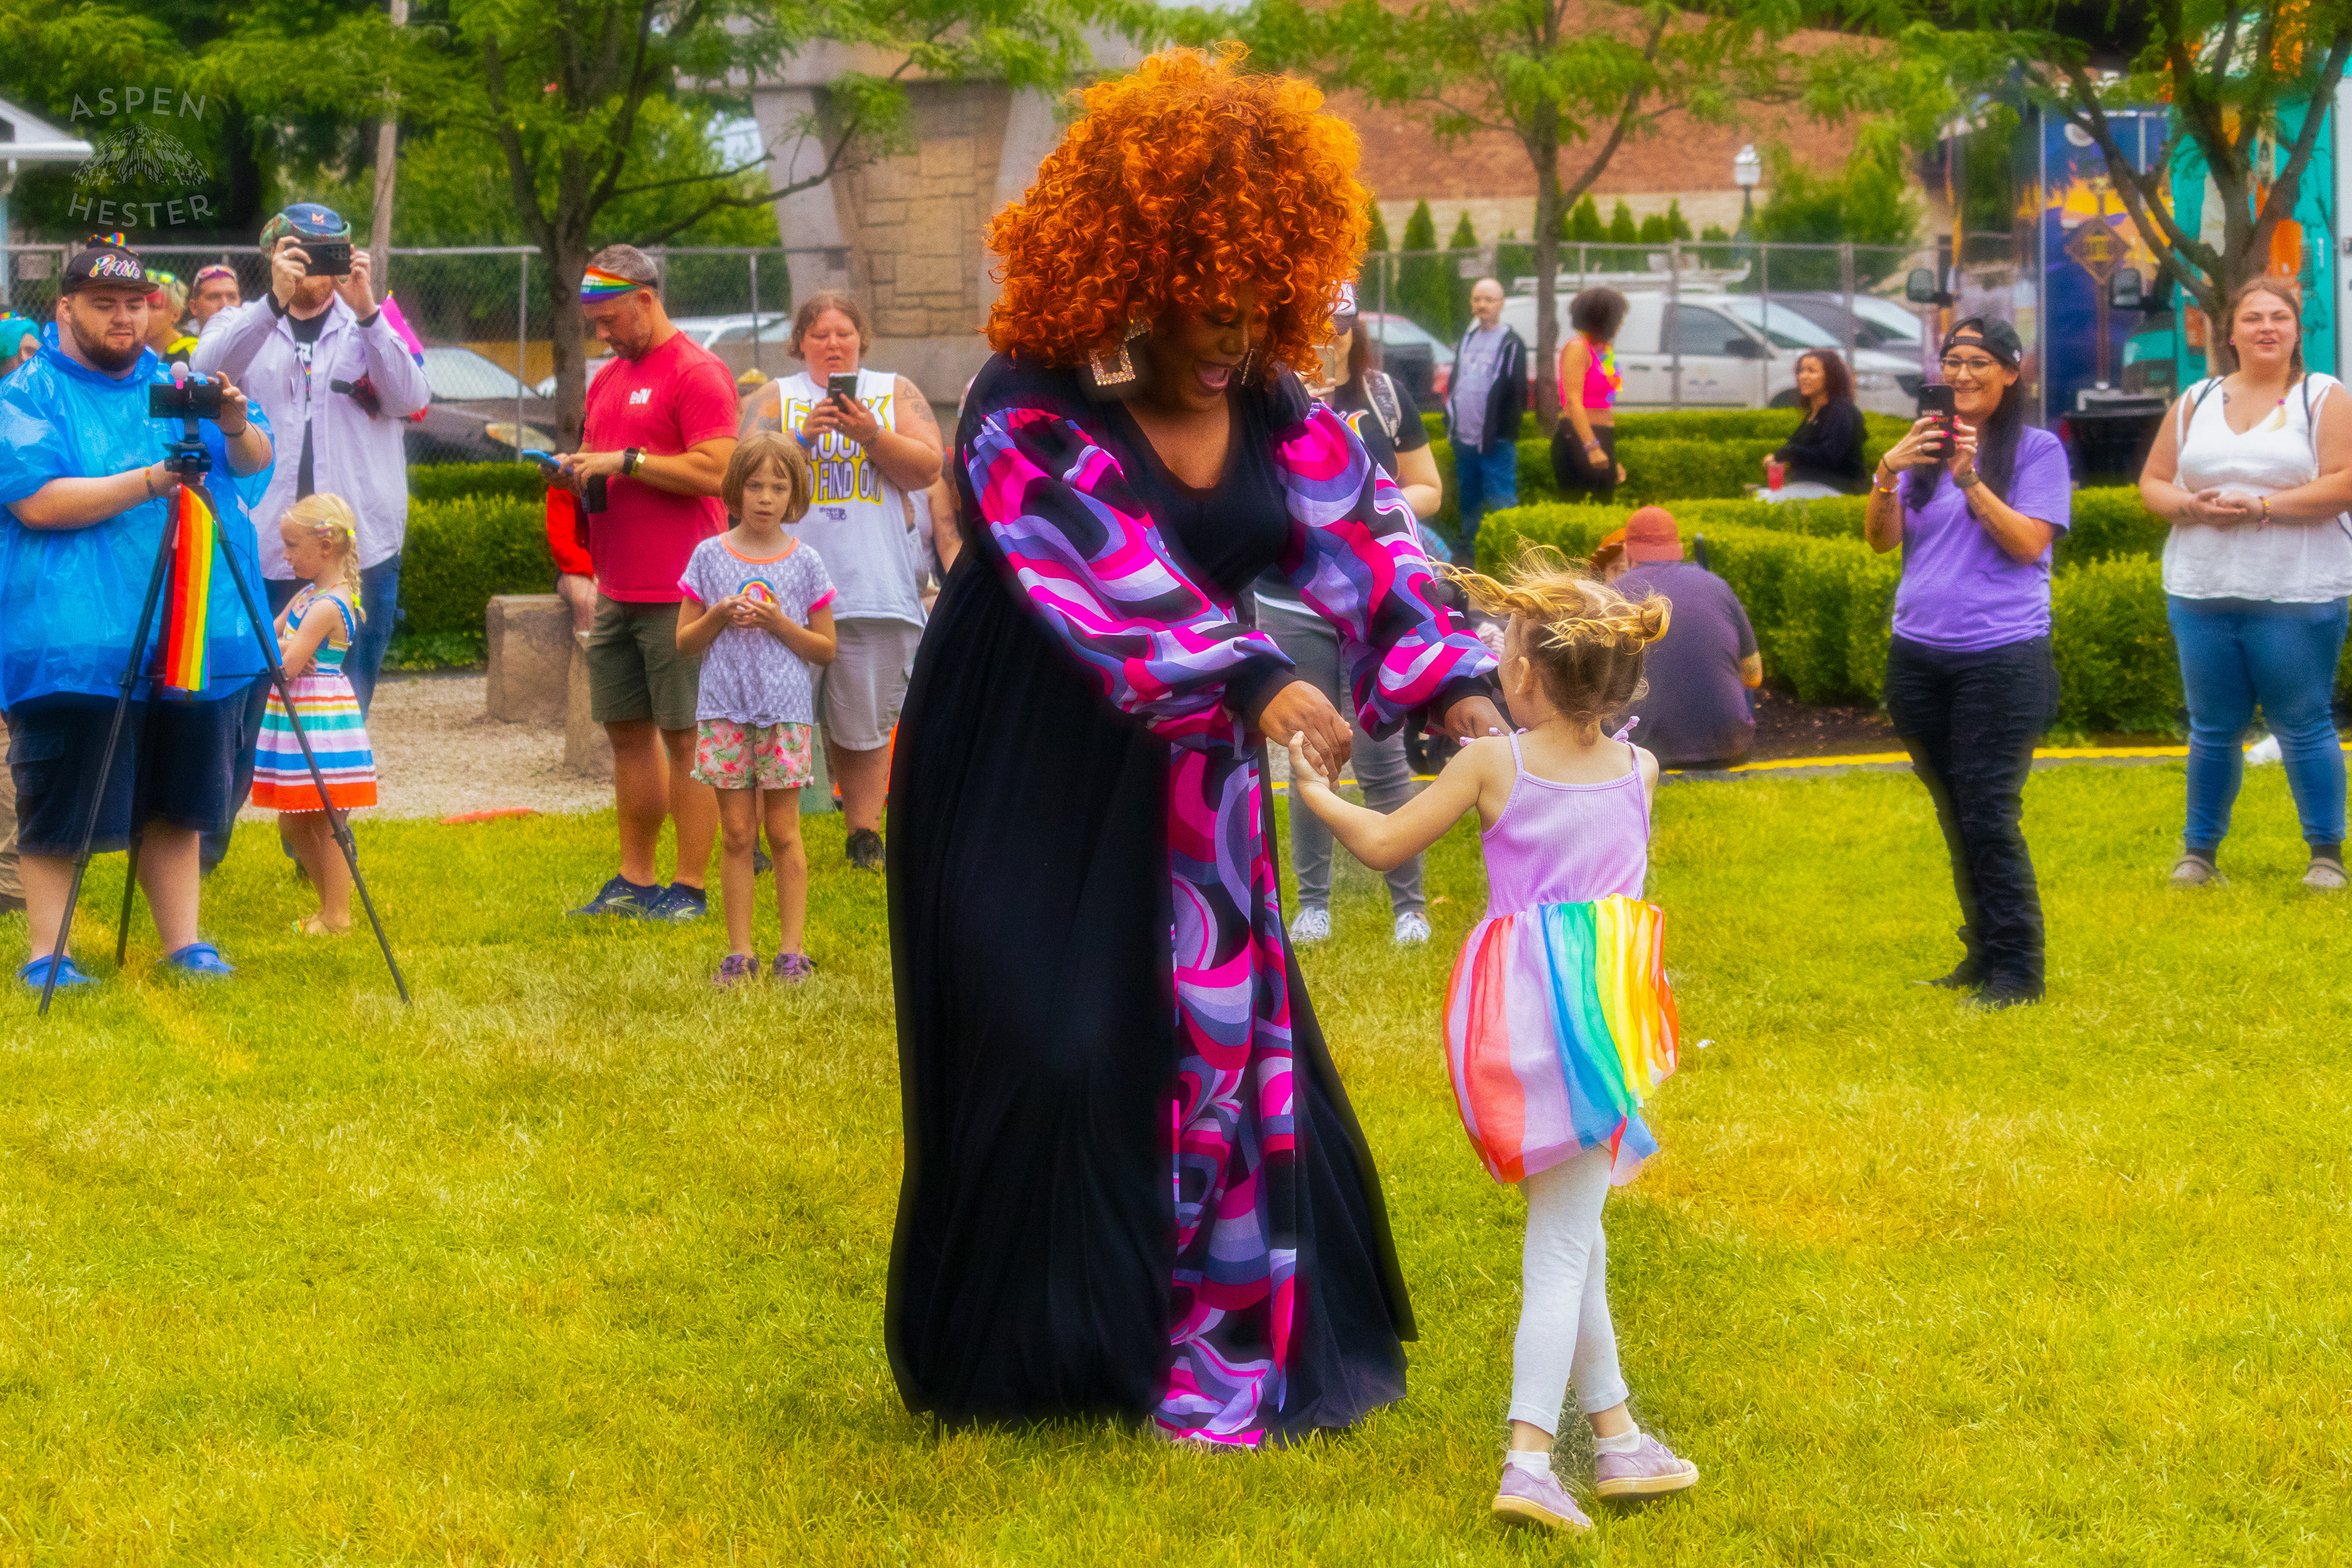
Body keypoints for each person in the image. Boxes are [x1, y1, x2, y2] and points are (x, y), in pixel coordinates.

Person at [886, 48, 1504, 1446]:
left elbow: (1372, 550)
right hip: (1018, 756)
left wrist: (1455, 688)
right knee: (1048, 1039)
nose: (1230, 338)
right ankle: (1030, 1354)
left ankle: (1201, 1344)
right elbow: (1089, 569)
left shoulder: (1274, 407)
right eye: (1203, 306)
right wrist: (1255, 675)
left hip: (1189, 777)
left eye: (1253, 307)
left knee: (1208, 1043)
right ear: (1131, 269)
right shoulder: (1026, 393)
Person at [1285, 557, 1696, 1534]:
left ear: (1531, 678)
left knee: (1572, 1233)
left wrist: (1313, 792)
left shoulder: (1493, 764)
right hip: (1601, 1017)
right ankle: (1534, 1459)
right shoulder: (1639, 771)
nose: (1494, 663)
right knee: (1565, 1237)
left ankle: (1609, 1437)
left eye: (1506, 652)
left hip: (1518, 1019)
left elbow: (1385, 844)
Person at [0, 241, 275, 990]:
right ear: (64, 309)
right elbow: (38, 500)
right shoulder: (27, 394)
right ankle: (46, 954)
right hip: (74, 639)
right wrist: (153, 480)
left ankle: (183, 943)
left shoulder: (177, 384)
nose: (122, 318)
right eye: (102, 304)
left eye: (134, 304)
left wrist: (237, 421)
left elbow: (249, 464)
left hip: (189, 630)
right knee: (60, 797)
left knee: (179, 794)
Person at [1865, 317, 2070, 1008]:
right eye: (1952, 360)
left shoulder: (2038, 452)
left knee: (1988, 811)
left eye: (1980, 361)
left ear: (2013, 373)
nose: (1962, 374)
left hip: (2002, 658)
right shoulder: (1921, 454)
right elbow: (1880, 542)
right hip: (1919, 657)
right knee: (1957, 810)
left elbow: (2027, 544)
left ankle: (2020, 969)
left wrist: (1972, 480)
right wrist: (1888, 471)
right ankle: (1982, 954)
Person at [2137, 276, 2352, 891]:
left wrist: (2263, 506)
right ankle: (2198, 856)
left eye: (2279, 318)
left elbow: (2344, 482)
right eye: (2253, 317)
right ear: (2229, 334)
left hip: (2297, 591)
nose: (2266, 327)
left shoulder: (2322, 397)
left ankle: (2325, 857)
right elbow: (2154, 482)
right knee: (2213, 727)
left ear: (2295, 332)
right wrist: (2190, 507)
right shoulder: (2197, 400)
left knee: (2304, 721)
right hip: (2202, 590)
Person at [554, 244, 742, 921]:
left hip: (684, 589)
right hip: (619, 587)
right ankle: (635, 880)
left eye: (609, 319)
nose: (602, 335)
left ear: (645, 298)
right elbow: (610, 462)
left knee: (686, 736)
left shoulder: (699, 372)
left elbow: (721, 471)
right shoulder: (609, 379)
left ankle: (688, 889)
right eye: (594, 323)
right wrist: (579, 470)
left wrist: (626, 461)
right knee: (628, 733)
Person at [194, 203, 428, 717]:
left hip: (358, 549)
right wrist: (272, 304)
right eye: (299, 252)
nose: (313, 267)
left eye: (328, 253)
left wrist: (368, 312)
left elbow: (411, 398)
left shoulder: (377, 323)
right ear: (272, 256)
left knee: (343, 707)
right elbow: (205, 373)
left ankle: (330, 797)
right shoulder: (239, 320)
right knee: (252, 705)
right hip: (264, 547)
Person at [1265, 282, 1444, 947]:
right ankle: (1314, 902)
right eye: (1312, 322)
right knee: (1309, 751)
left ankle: (1410, 905)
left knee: (1380, 749)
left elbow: (1429, 485)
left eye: (1337, 323)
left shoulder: (1382, 395)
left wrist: (1371, 505)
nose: (1326, 337)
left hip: (1372, 597)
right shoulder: (1267, 392)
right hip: (1289, 598)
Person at [737, 293, 943, 870]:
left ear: (861, 340)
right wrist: (800, 439)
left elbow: (928, 469)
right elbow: (740, 475)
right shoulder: (777, 398)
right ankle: (757, 838)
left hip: (871, 583)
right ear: (800, 341)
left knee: (864, 722)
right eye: (820, 334)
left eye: (844, 333)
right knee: (773, 716)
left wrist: (871, 437)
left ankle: (863, 833)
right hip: (783, 591)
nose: (833, 344)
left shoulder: (894, 391)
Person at [675, 432, 839, 986]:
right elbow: (684, 643)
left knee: (784, 832)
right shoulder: (708, 557)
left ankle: (792, 951)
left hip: (786, 713)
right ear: (733, 491)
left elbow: (825, 648)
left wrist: (779, 624)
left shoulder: (806, 562)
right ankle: (739, 952)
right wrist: (719, 613)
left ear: (795, 495)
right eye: (754, 485)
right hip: (724, 711)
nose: (766, 497)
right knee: (738, 833)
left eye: (779, 486)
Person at [254, 495, 377, 934]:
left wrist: (284, 650)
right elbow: (265, 637)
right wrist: (287, 646)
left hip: (320, 720)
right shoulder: (308, 595)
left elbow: (280, 665)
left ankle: (338, 915)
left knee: (327, 818)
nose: (284, 556)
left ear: (325, 547)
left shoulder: (328, 606)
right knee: (292, 820)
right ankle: (329, 908)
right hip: (298, 715)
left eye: (291, 546)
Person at [1614, 507, 1762, 769]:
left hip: (1639, 754)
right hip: (1729, 749)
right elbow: (1754, 676)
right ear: (1678, 547)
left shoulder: (1611, 594)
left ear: (1627, 550)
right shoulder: (1717, 585)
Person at [1448, 276, 1529, 554]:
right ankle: (1469, 555)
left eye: (1489, 299)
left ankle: (1509, 554)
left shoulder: (1511, 342)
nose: (1482, 305)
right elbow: (1456, 381)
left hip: (1496, 442)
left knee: (1501, 501)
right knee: (1469, 500)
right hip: (1465, 441)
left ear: (1501, 304)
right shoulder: (1467, 338)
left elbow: (1518, 393)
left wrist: (1505, 431)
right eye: (1477, 299)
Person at [1551, 288, 1628, 505]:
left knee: (1604, 506)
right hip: (1578, 439)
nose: (1621, 324)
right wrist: (1592, 447)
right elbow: (1573, 400)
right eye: (1618, 318)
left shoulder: (1604, 350)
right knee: (1581, 507)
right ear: (1603, 318)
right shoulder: (1577, 348)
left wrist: (1612, 459)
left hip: (1601, 436)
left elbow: (1605, 403)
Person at [1763, 349, 1868, 500]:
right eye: (1801, 371)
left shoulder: (1841, 412)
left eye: (1811, 371)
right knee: (1759, 496)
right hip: (1807, 487)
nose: (1803, 377)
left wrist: (1786, 453)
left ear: (1830, 377)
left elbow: (1830, 456)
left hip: (1836, 489)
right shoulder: (1812, 413)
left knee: (1766, 500)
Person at [144, 271, 195, 367]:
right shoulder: (125, 349)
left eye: (154, 307)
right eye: (138, 306)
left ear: (176, 315)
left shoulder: (193, 354)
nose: (144, 313)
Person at [188, 265, 242, 330]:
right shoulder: (182, 340)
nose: (225, 306)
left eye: (232, 297)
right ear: (194, 307)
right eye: (214, 298)